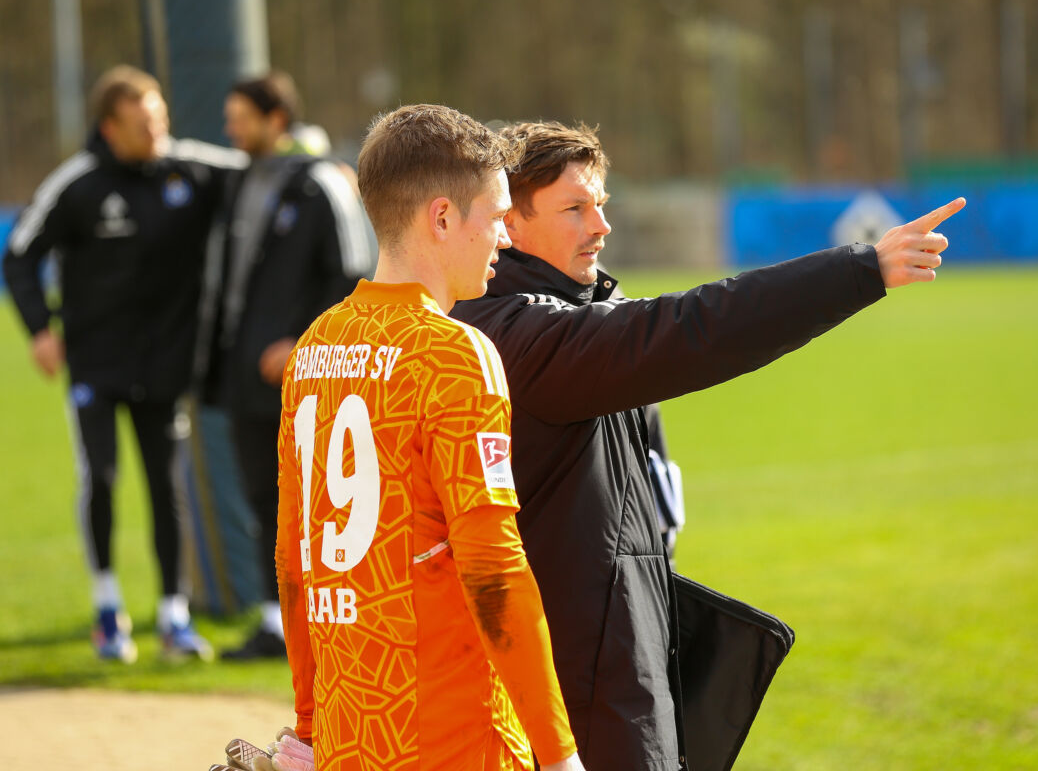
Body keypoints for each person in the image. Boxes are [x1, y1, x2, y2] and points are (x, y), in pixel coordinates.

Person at [450, 120, 962, 770]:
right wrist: (861, 270)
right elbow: (696, 327)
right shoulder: (514, 336)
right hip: (565, 705)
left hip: (612, 676)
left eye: (601, 204)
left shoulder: (580, 316)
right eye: (574, 208)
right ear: (508, 226)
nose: (601, 226)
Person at [275, 104, 583, 771]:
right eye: (497, 217)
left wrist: (308, 722)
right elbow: (493, 568)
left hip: (351, 732)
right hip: (451, 736)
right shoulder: (452, 353)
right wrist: (558, 754)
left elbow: (294, 560)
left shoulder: (315, 346)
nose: (505, 237)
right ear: (443, 218)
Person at [1, 65, 246, 662]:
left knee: (168, 488)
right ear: (111, 126)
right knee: (102, 479)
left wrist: (320, 160)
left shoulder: (191, 167)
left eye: (161, 116)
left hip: (165, 365)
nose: (157, 129)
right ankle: (108, 611)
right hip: (95, 365)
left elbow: (267, 171)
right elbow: (18, 254)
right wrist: (40, 329)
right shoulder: (78, 183)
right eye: (143, 121)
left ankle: (173, 617)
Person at [198, 70, 376, 660]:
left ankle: (331, 620)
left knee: (318, 501)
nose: (230, 127)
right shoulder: (239, 180)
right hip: (247, 376)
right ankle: (279, 622)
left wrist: (303, 343)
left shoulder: (323, 182)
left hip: (308, 377)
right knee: (261, 495)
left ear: (275, 119)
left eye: (240, 116)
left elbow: (353, 273)